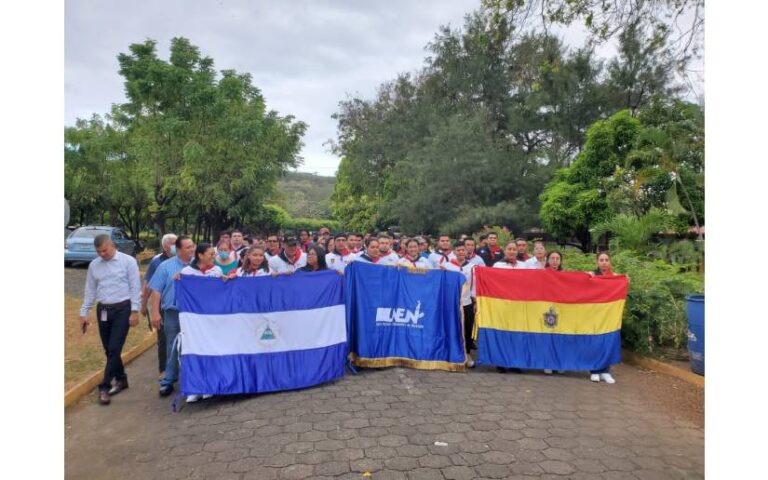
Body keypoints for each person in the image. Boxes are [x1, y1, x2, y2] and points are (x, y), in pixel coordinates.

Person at [79, 234, 142, 405]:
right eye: (99, 252)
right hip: (105, 310)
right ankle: (121, 378)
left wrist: (135, 311)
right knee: (109, 349)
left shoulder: (128, 261)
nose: (102, 254)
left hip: (123, 308)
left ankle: (104, 387)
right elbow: (90, 290)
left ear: (112, 245)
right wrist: (84, 311)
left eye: (105, 250)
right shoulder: (94, 265)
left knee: (115, 347)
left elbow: (135, 287)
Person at [149, 235, 196, 397]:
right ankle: (169, 380)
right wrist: (155, 312)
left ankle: (193, 378)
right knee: (172, 345)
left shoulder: (199, 264)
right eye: (188, 247)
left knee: (194, 345)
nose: (192, 249)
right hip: (172, 313)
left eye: (192, 246)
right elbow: (156, 290)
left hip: (194, 314)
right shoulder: (165, 266)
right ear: (179, 249)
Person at [141, 233, 177, 379]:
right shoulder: (157, 261)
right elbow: (149, 285)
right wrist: (144, 305)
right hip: (162, 306)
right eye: (172, 243)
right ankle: (163, 370)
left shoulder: (186, 259)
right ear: (164, 246)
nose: (175, 245)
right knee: (163, 338)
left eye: (177, 242)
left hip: (181, 306)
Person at [587, 251, 619, 384]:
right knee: (595, 342)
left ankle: (606, 371)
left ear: (610, 262)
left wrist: (625, 280)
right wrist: (585, 277)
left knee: (608, 341)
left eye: (606, 260)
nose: (604, 262)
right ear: (597, 262)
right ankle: (594, 371)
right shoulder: (592, 275)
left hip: (609, 315)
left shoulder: (615, 277)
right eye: (601, 260)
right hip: (594, 314)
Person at [443, 242, 476, 367]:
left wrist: (475, 302)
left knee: (467, 328)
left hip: (467, 302)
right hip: (451, 303)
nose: (461, 252)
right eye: (458, 250)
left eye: (463, 250)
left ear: (466, 251)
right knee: (451, 327)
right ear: (454, 251)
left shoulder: (472, 267)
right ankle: (450, 353)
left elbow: (474, 285)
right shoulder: (447, 266)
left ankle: (466, 354)